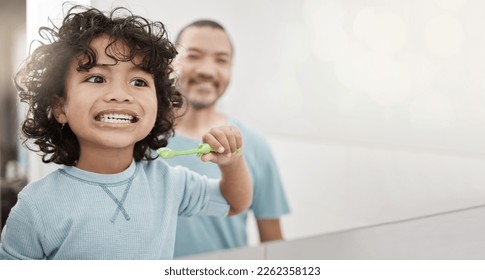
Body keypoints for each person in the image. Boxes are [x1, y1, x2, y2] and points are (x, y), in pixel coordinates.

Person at [0, 5, 251, 260]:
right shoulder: (37, 205)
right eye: (97, 78)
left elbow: (234, 203)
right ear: (60, 106)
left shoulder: (169, 183)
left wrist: (232, 163)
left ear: (158, 104)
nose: (120, 95)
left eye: (138, 82)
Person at [166, 19, 290, 258]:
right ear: (171, 63)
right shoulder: (140, 140)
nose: (207, 70)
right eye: (193, 55)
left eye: (221, 60)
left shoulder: (254, 145)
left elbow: (274, 243)